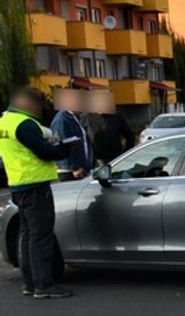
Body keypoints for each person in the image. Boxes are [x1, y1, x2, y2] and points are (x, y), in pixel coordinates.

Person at [0, 87, 74, 299]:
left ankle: (30, 283)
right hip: (35, 185)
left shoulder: (4, 122)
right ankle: (44, 285)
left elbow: (30, 145)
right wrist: (64, 150)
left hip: (17, 184)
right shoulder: (24, 124)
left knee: (27, 235)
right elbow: (43, 151)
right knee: (41, 236)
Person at [49, 88, 91, 180]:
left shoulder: (74, 117)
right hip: (68, 171)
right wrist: (74, 167)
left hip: (79, 167)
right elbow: (61, 144)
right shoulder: (61, 120)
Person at [89, 91, 135, 166]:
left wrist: (126, 155)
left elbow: (130, 136)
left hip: (114, 160)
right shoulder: (86, 117)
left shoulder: (116, 116)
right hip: (94, 161)